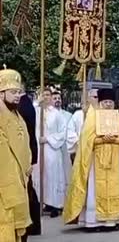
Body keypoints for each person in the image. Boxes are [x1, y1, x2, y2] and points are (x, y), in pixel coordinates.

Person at [63, 88, 119, 232]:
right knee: (93, 189)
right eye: (105, 102)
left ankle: (113, 221)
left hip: (116, 158)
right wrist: (100, 139)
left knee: (116, 187)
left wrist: (117, 138)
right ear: (100, 102)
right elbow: (85, 140)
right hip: (96, 160)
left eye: (110, 102)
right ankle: (94, 222)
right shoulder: (92, 118)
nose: (108, 104)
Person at [0, 67, 32, 242]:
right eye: (13, 92)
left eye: (19, 92)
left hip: (20, 180)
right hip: (4, 186)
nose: (17, 96)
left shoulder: (17, 115)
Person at [32, 88, 67, 218]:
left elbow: (62, 132)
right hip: (39, 148)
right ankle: (42, 202)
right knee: (40, 175)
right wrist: (36, 103)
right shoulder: (36, 111)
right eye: (43, 95)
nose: (46, 97)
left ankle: (55, 204)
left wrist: (48, 139)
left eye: (48, 95)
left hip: (51, 148)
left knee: (52, 176)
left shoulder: (56, 114)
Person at [18, 93, 41, 237]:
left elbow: (28, 130)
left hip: (24, 152)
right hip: (24, 151)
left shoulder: (23, 104)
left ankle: (32, 224)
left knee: (27, 189)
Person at [66, 89, 98, 162]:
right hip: (81, 150)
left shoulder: (101, 114)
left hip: (96, 152)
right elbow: (70, 131)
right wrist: (79, 141)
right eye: (95, 97)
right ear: (88, 98)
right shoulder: (78, 114)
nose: (98, 99)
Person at [52, 91, 73, 195]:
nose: (57, 100)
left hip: (65, 148)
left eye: (59, 98)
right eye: (55, 98)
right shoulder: (47, 115)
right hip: (52, 148)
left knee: (65, 173)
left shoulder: (68, 115)